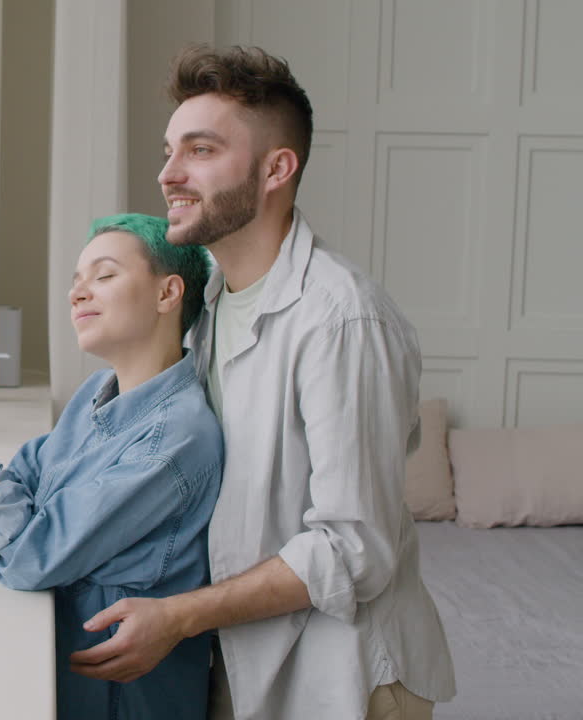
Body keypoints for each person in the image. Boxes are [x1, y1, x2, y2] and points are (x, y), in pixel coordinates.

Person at [67, 46, 457, 720]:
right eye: (169, 151)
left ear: (277, 168)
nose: (169, 174)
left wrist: (180, 617)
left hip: (346, 677)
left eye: (201, 150)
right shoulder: (214, 300)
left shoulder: (342, 320)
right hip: (246, 652)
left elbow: (353, 548)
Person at [0, 214, 222, 720]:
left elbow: (30, 556)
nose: (77, 294)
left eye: (103, 276)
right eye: (76, 283)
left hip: (117, 702)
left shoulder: (176, 439)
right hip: (59, 670)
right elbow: (23, 479)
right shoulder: (93, 395)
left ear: (168, 294)